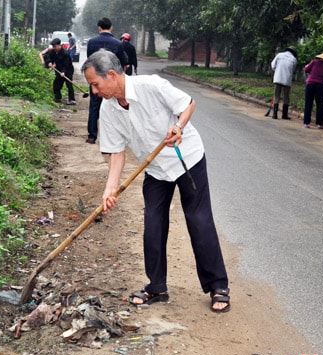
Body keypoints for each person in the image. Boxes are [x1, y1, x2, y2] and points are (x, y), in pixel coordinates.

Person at [81, 49, 231, 313]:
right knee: (153, 224)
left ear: (112, 75)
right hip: (155, 169)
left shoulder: (151, 86)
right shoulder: (109, 109)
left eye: (95, 84)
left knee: (199, 221)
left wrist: (179, 127)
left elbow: (188, 104)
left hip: (186, 159)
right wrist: (110, 189)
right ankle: (157, 287)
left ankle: (218, 285)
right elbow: (116, 152)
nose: (94, 91)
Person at [85, 17, 128, 144]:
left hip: (96, 80)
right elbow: (122, 63)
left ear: (99, 28)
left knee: (94, 106)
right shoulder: (117, 43)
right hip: (112, 81)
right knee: (114, 107)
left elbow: (89, 61)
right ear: (111, 27)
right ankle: (112, 136)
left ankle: (92, 135)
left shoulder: (92, 42)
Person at [303, 51, 323, 129]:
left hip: (310, 84)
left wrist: (307, 67)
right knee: (320, 104)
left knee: (308, 103)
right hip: (320, 86)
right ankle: (319, 124)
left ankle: (307, 123)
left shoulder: (314, 62)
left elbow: (306, 70)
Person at [39, 38, 76, 105]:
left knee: (69, 84)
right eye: (53, 46)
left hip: (68, 70)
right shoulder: (53, 52)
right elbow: (49, 58)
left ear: (59, 45)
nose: (54, 48)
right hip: (58, 70)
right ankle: (58, 98)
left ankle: (72, 100)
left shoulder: (65, 53)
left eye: (55, 46)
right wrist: (49, 62)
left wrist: (64, 72)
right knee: (56, 84)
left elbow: (67, 64)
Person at [271, 46, 298, 120]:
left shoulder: (279, 55)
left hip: (278, 78)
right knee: (286, 97)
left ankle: (274, 114)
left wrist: (277, 71)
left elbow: (273, 65)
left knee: (276, 96)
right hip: (287, 79)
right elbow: (293, 70)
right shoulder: (294, 59)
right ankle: (284, 115)